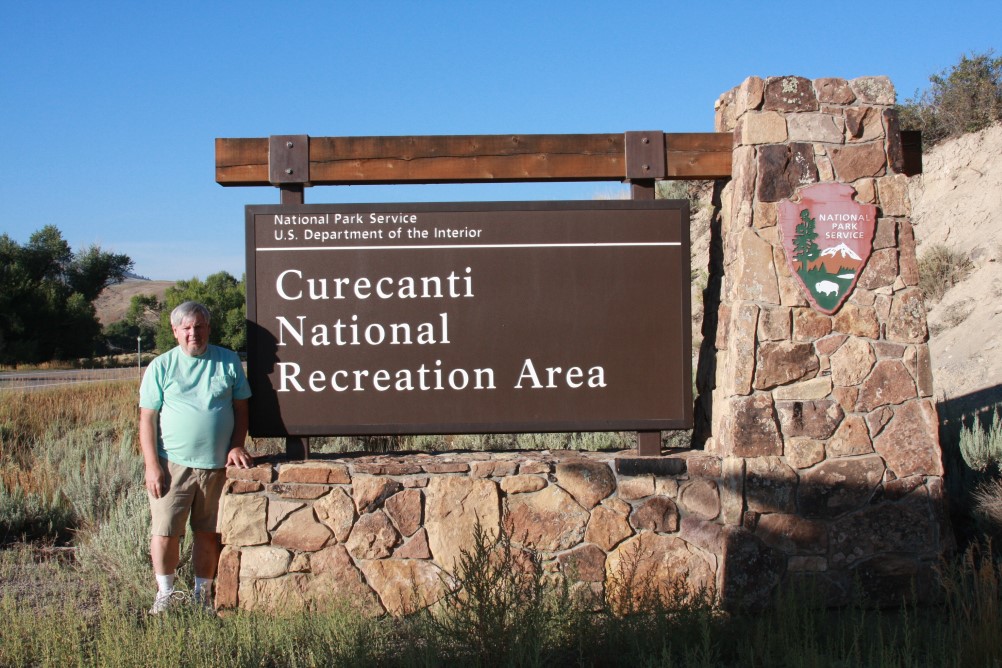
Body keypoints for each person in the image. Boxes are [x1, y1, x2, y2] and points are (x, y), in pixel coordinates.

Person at [139, 300, 253, 614]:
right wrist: (152, 466)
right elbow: (147, 418)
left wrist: (236, 444)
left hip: (217, 465)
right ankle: (165, 593)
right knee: (165, 532)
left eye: (199, 327)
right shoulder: (161, 366)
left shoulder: (228, 361)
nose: (194, 334)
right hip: (172, 464)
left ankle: (202, 595)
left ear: (208, 329)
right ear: (175, 332)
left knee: (208, 532)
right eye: (186, 328)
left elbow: (241, 409)